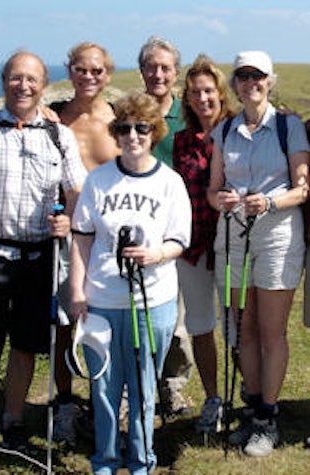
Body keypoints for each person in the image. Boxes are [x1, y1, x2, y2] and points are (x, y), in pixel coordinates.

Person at [0, 50, 86, 471]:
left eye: (31, 79)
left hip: (40, 257)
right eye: (15, 78)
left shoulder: (59, 136)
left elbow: (76, 190)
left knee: (26, 346)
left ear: (44, 86)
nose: (23, 86)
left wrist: (70, 220)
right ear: (4, 81)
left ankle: (13, 425)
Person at [69, 91, 192, 475]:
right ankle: (105, 461)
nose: (133, 136)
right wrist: (76, 291)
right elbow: (82, 236)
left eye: (141, 127)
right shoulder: (98, 180)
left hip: (153, 300)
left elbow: (179, 240)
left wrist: (156, 254)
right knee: (104, 388)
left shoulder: (170, 183)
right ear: (116, 134)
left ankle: (142, 461)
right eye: (123, 128)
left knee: (143, 386)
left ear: (154, 132)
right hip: (102, 300)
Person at [207, 50, 310, 457]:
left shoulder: (289, 127)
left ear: (270, 80)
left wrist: (268, 203)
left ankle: (268, 416)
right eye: (243, 76)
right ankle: (252, 408)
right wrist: (224, 201)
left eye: (258, 76)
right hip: (232, 235)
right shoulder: (225, 129)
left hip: (277, 237)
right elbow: (213, 190)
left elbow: (304, 188)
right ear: (234, 83)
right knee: (241, 328)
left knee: (270, 332)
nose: (251, 83)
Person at [47, 41, 120, 446]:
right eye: (80, 69)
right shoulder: (54, 117)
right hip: (65, 236)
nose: (88, 76)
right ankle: (63, 405)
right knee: (63, 323)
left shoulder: (118, 120)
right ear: (69, 71)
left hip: (109, 239)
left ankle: (104, 400)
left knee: (106, 321)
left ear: (107, 74)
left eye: (96, 70)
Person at [172, 54, 237, 434]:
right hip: (194, 246)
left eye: (208, 90)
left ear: (220, 92)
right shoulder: (180, 141)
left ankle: (249, 394)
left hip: (233, 246)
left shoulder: (238, 132)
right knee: (200, 325)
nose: (203, 98)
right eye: (195, 92)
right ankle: (213, 399)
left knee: (238, 327)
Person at [138, 35, 194, 417]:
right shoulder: (127, 112)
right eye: (151, 67)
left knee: (177, 321)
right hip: (136, 231)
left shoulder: (188, 115)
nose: (158, 74)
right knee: (135, 317)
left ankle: (173, 389)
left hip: (179, 231)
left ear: (176, 73)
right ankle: (133, 387)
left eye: (165, 67)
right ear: (142, 70)